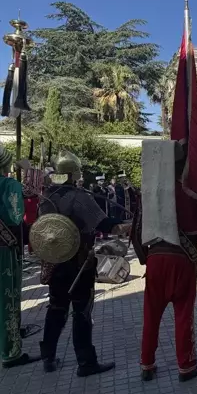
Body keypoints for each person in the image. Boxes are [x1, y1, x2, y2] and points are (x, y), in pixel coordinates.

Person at [37, 151, 128, 376]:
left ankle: (48, 357)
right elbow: (105, 224)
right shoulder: (80, 196)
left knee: (56, 309)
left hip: (55, 262)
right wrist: (126, 225)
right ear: (73, 173)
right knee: (82, 311)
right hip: (79, 263)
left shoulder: (47, 197)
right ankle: (86, 362)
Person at [0, 145, 40, 369]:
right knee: (8, 299)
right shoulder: (7, 184)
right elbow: (32, 191)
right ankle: (11, 352)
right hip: (4, 251)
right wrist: (28, 168)